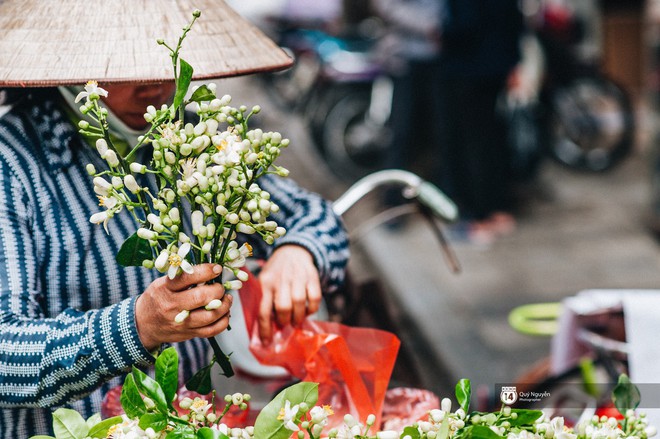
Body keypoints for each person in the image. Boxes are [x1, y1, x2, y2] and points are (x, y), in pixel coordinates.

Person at [0, 2, 350, 436]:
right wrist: (138, 325)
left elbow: (315, 216)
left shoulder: (188, 141)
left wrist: (298, 251)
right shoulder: (10, 166)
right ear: (72, 65)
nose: (154, 90)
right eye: (126, 70)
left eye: (164, 65)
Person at [435, 0, 524, 243]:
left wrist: (442, 34)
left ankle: (479, 219)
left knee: (472, 144)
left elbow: (463, 23)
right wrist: (512, 62)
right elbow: (514, 18)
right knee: (490, 139)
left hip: (468, 68)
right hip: (493, 66)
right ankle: (497, 211)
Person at [370, 0, 443, 210]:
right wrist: (430, 27)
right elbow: (386, 6)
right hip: (406, 61)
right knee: (401, 133)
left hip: (440, 62)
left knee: (438, 135)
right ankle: (392, 201)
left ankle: (431, 202)